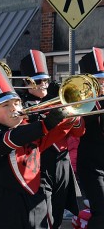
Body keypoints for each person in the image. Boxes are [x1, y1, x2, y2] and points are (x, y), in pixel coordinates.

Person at [0, 64, 75, 228]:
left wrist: (69, 114)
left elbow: (55, 134)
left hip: (36, 204)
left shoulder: (28, 128)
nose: (14, 108)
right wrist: (44, 125)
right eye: (5, 105)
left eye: (17, 103)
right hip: (3, 209)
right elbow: (0, 142)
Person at [19, 50, 84, 228]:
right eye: (38, 81)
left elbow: (78, 133)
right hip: (40, 165)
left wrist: (75, 115)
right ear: (26, 82)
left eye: (46, 80)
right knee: (42, 217)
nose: (44, 85)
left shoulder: (57, 100)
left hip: (62, 164)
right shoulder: (21, 106)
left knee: (56, 216)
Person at [76, 47, 104, 227]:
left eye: (103, 78)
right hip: (92, 168)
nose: (102, 82)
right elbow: (80, 126)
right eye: (98, 79)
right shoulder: (83, 103)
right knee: (101, 212)